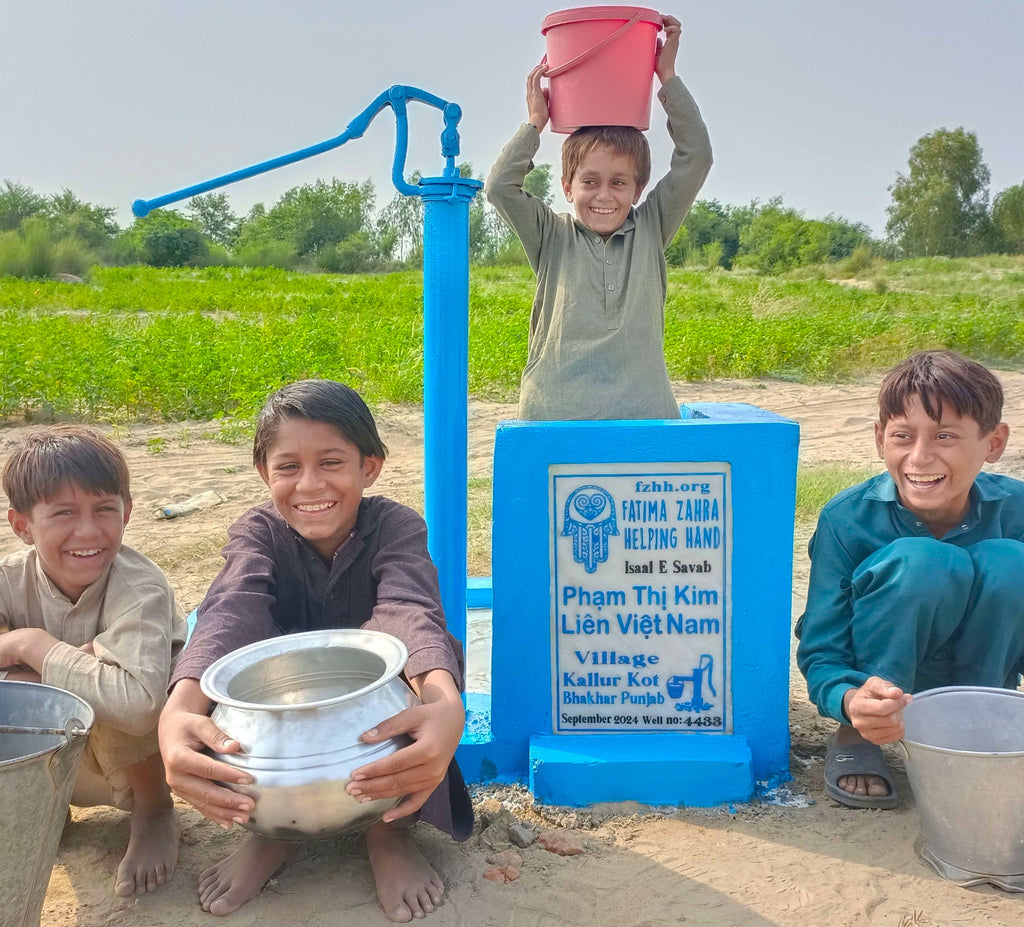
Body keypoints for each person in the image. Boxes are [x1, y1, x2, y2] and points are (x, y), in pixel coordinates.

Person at [158, 379, 472, 921]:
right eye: (288, 466)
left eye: (330, 462)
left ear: (368, 467)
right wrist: (178, 709)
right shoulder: (257, 532)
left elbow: (408, 610)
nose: (309, 484)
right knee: (224, 666)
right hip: (278, 719)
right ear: (264, 473)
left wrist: (446, 704)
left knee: (432, 657)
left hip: (376, 710)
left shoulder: (395, 525)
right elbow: (231, 609)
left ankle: (389, 832)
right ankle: (272, 833)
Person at [796, 350, 1024, 809]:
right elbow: (822, 645)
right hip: (881, 687)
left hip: (982, 682)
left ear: (993, 443)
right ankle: (859, 734)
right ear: (880, 438)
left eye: (945, 436)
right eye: (902, 435)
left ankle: (975, 728)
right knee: (922, 562)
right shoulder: (847, 519)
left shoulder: (1017, 509)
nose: (920, 457)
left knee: (1009, 562)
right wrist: (850, 700)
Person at [485, 13, 712, 421]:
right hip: (553, 416)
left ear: (638, 190)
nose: (604, 196)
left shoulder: (651, 227)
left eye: (619, 183)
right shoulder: (551, 235)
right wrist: (536, 122)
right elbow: (500, 187)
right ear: (567, 187)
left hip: (644, 415)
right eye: (589, 181)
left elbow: (696, 156)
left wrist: (667, 76)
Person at [0, 425, 184, 894]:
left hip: (141, 759)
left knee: (113, 685)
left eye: (104, 509)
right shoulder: (7, 580)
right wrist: (67, 666)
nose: (87, 530)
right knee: (82, 682)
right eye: (63, 512)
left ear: (127, 512)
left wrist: (31, 646)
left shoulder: (138, 587)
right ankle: (45, 806)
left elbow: (137, 705)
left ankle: (154, 811)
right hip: (59, 759)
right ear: (22, 526)